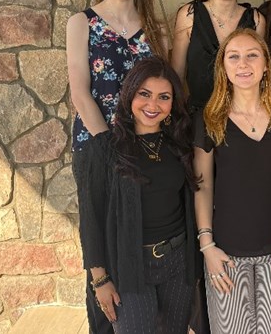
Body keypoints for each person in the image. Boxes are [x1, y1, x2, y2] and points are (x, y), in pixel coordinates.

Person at [66, 0, 168, 334]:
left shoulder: (156, 29)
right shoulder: (82, 23)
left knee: (139, 234)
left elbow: (164, 90)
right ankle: (104, 323)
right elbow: (80, 92)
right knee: (101, 241)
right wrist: (110, 147)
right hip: (98, 146)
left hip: (145, 148)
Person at [193, 28, 271, 334]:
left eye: (252, 55)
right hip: (225, 252)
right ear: (223, 66)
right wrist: (207, 245)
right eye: (234, 57)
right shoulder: (210, 117)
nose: (243, 64)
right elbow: (203, 184)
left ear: (266, 64)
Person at [78, 57, 199, 334]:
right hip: (129, 265)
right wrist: (100, 279)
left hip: (178, 262)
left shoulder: (179, 145)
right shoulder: (105, 148)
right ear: (130, 94)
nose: (152, 105)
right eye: (144, 94)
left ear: (172, 103)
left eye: (163, 97)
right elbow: (90, 218)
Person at [172, 0, 266, 111]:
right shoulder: (189, 15)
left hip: (240, 114)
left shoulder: (256, 20)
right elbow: (177, 74)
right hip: (198, 113)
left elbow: (260, 76)